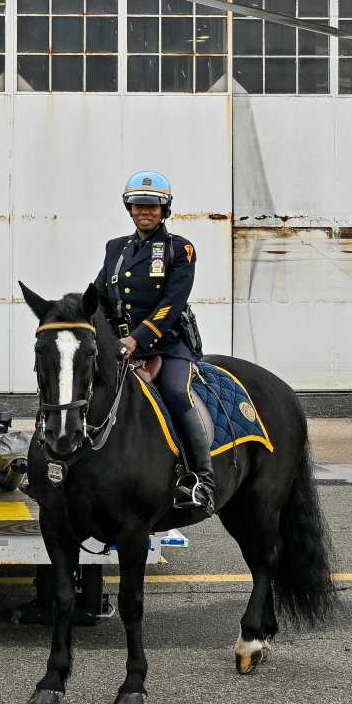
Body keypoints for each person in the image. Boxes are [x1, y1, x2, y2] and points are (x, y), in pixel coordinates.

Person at [95, 170, 214, 512]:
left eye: (152, 206)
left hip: (168, 346)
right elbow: (101, 297)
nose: (144, 211)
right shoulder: (115, 248)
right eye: (137, 205)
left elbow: (171, 305)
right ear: (128, 208)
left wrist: (137, 338)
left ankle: (200, 480)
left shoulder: (180, 249)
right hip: (121, 349)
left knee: (176, 393)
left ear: (165, 209)